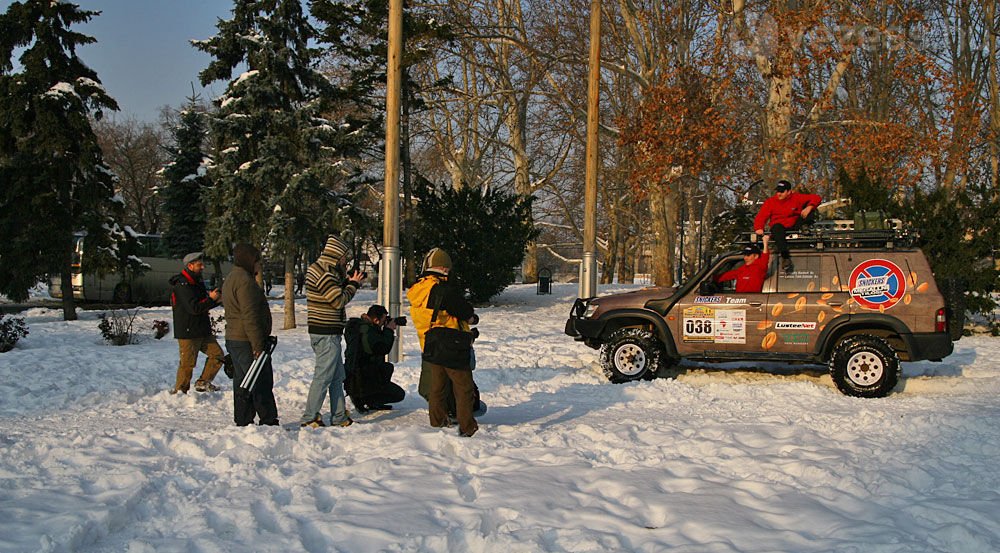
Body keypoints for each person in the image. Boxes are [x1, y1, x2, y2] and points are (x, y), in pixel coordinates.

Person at [407, 248, 480, 437]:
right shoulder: (442, 291)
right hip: (451, 345)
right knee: (464, 388)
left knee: (437, 388)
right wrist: (471, 319)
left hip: (430, 344)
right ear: (443, 268)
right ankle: (467, 427)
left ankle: (437, 422)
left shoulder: (418, 290)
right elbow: (464, 310)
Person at [300, 235, 364, 428]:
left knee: (337, 376)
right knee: (324, 376)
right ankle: (309, 417)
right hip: (326, 332)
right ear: (337, 255)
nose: (346, 261)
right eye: (344, 257)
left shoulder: (323, 270)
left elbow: (332, 293)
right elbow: (337, 300)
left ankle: (339, 416)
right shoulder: (324, 273)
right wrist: (353, 285)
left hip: (329, 332)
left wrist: (346, 282)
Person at [222, 243, 279, 426]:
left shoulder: (232, 277)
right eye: (256, 261)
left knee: (242, 382)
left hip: (235, 337)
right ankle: (268, 420)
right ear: (249, 260)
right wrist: (258, 346)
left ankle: (243, 419)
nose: (259, 265)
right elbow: (250, 316)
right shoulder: (245, 281)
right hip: (246, 339)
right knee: (259, 380)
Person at [168, 252, 224, 394]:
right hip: (188, 331)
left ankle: (203, 382)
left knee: (217, 355)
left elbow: (202, 305)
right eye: (199, 265)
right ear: (190, 266)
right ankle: (180, 391)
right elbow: (194, 308)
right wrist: (211, 299)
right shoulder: (182, 284)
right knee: (187, 364)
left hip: (201, 329)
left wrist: (215, 300)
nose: (203, 267)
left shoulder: (196, 281)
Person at [344, 304, 406, 413]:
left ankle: (364, 396)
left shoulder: (361, 326)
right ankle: (365, 398)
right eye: (383, 319)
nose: (384, 322)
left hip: (356, 376)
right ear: (376, 320)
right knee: (398, 394)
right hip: (363, 377)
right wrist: (389, 330)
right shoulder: (368, 331)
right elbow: (382, 348)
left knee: (385, 368)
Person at [753, 179, 821, 273]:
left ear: (789, 192)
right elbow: (761, 216)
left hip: (795, 224)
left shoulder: (796, 198)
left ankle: (805, 227)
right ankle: (785, 257)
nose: (779, 194)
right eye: (778, 191)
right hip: (780, 227)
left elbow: (816, 198)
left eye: (782, 191)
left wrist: (810, 207)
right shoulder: (771, 202)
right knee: (777, 228)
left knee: (810, 210)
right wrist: (758, 228)